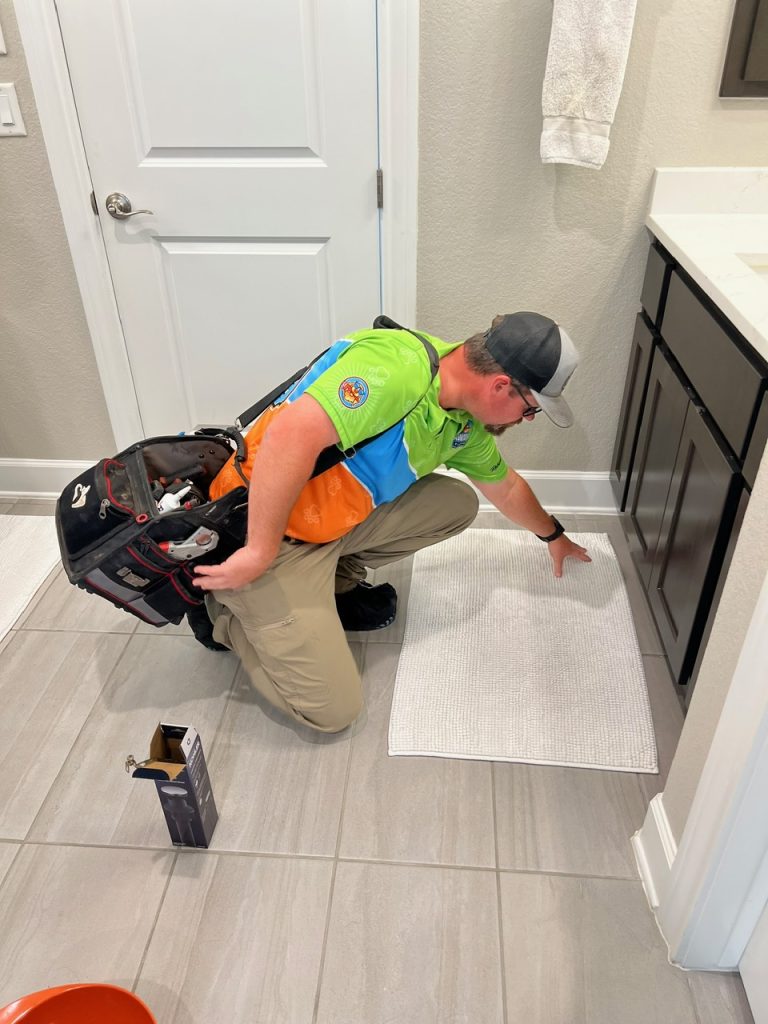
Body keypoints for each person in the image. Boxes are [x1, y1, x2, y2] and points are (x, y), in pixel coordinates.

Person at [190, 312, 591, 733]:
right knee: (333, 712)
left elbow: (506, 488)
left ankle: (333, 583)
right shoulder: (397, 370)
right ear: (501, 386)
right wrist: (259, 550)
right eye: (530, 411)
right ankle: (223, 614)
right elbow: (289, 434)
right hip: (261, 525)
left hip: (327, 524)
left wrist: (553, 536)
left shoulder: (461, 419)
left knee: (455, 503)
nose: (524, 421)